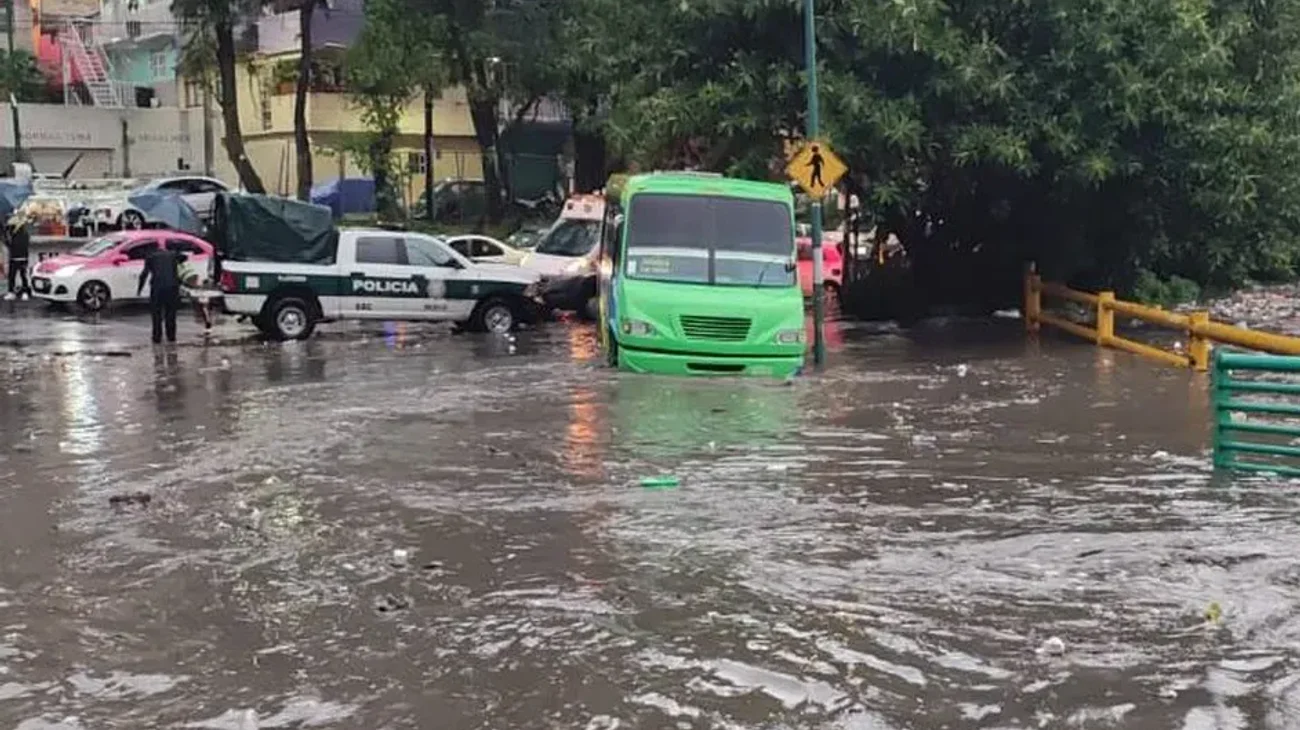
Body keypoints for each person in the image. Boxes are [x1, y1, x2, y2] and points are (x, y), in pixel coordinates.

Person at [137, 245, 186, 344]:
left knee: (156, 314)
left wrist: (139, 289)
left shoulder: (150, 257)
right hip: (172, 287)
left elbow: (144, 274)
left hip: (157, 288)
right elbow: (184, 257)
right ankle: (171, 337)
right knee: (171, 313)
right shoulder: (172, 254)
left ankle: (157, 337)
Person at [4, 211, 31, 301]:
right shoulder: (24, 232)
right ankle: (23, 292)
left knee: (14, 275)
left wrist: (8, 241)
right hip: (21, 256)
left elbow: (9, 243)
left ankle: (14, 292)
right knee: (22, 275)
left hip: (16, 256)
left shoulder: (15, 233)